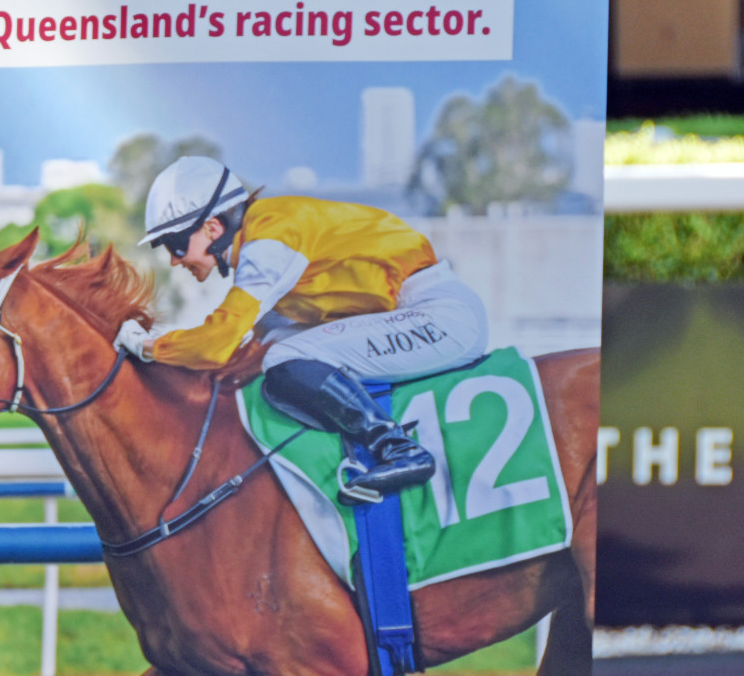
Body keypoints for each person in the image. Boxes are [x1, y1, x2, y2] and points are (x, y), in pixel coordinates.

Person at [113, 156, 486, 503]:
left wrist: (148, 346)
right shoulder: (262, 241)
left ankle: (398, 448)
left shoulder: (270, 239)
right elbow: (247, 348)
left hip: (438, 315)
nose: (174, 260)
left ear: (213, 227)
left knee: (283, 357)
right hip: (413, 312)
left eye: (176, 244)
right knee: (273, 349)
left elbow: (216, 344)